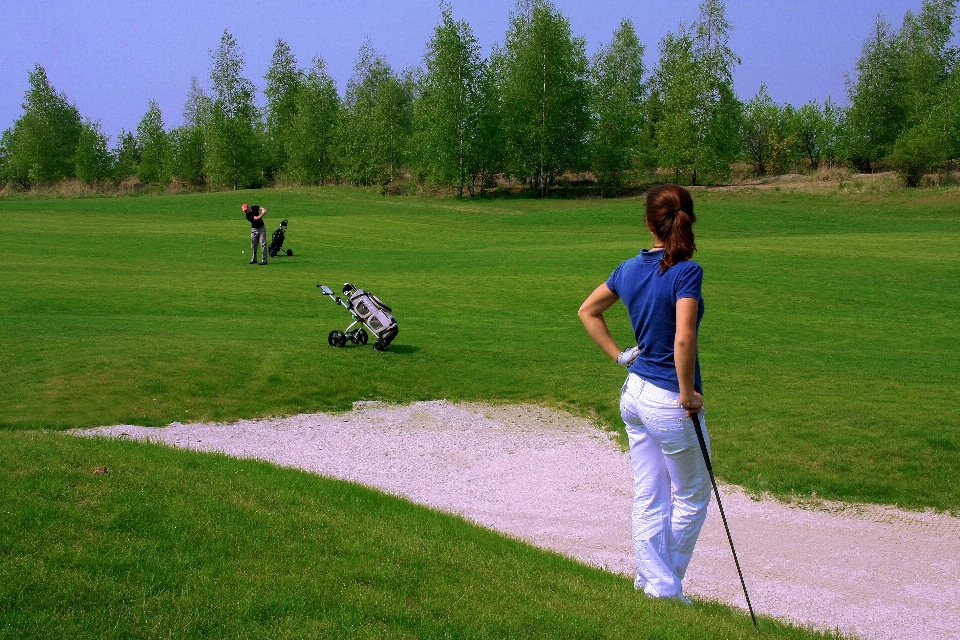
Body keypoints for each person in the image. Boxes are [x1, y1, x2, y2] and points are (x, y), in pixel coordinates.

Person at [578, 184, 709, 605]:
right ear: (688, 217)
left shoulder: (629, 268)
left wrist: (621, 357)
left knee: (650, 493)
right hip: (670, 400)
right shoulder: (686, 271)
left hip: (634, 392)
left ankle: (651, 582)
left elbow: (588, 310)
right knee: (691, 495)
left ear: (648, 223)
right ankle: (664, 589)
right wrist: (688, 394)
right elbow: (683, 338)